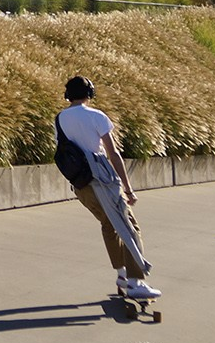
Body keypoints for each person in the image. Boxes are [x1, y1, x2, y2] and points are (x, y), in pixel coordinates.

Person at [56, 75, 160, 300]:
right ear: (89, 94)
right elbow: (113, 154)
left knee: (108, 225)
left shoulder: (60, 119)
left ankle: (122, 274)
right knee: (130, 226)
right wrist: (128, 188)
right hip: (103, 182)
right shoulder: (96, 116)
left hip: (81, 185)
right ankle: (135, 282)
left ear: (68, 95)